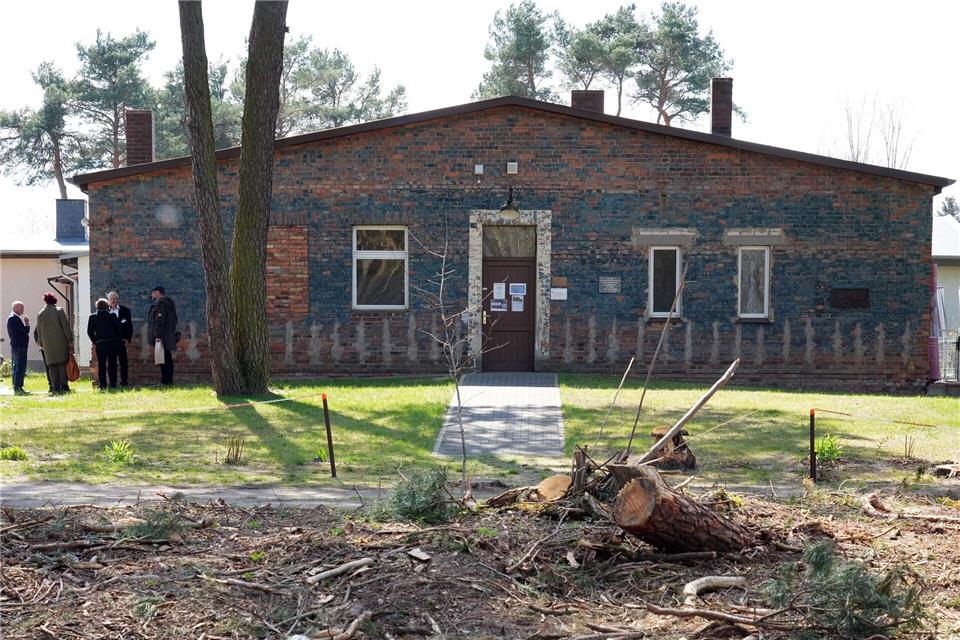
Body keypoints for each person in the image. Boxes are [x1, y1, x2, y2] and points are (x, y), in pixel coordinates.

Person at [35, 292, 73, 394]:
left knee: (51, 366)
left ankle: (55, 388)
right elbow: (65, 327)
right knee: (61, 365)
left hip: (47, 345)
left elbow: (38, 330)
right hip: (60, 343)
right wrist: (70, 340)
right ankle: (64, 387)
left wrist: (41, 343)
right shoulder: (59, 310)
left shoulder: (40, 313)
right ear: (54, 300)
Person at [87, 298, 122, 390]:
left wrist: (95, 341)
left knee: (101, 364)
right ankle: (113, 384)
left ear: (97, 307)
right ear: (107, 306)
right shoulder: (113, 316)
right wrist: (116, 340)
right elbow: (119, 330)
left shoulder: (93, 317)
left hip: (100, 344)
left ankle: (102, 385)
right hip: (112, 343)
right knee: (112, 364)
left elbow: (89, 332)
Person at [147, 285, 178, 385]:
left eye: (153, 292)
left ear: (158, 292)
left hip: (162, 336)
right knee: (167, 358)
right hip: (168, 335)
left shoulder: (161, 304)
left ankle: (166, 381)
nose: (152, 295)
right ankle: (168, 380)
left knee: (163, 359)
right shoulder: (169, 303)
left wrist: (158, 337)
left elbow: (160, 322)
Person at [107, 291, 133, 387]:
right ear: (108, 300)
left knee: (123, 362)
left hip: (122, 341)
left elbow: (129, 326)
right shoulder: (106, 311)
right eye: (111, 299)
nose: (113, 300)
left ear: (117, 299)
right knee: (111, 363)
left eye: (115, 298)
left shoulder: (125, 310)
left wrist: (127, 338)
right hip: (110, 342)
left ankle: (124, 381)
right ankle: (112, 383)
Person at [6, 301, 30, 395]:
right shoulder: (14, 318)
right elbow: (25, 331)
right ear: (15, 308)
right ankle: (18, 387)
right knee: (20, 367)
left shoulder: (14, 318)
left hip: (18, 346)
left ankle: (18, 387)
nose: (23, 310)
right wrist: (27, 323)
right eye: (21, 308)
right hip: (19, 346)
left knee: (18, 367)